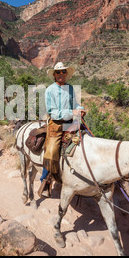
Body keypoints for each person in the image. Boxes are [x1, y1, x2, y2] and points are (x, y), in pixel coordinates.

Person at [38, 62, 86, 198]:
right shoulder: (50, 90)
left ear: (66, 74)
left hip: (71, 121)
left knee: (86, 139)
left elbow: (75, 104)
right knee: (52, 150)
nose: (61, 74)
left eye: (63, 72)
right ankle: (45, 180)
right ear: (54, 75)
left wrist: (80, 109)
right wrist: (73, 112)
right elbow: (53, 112)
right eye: (58, 72)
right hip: (56, 123)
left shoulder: (70, 89)